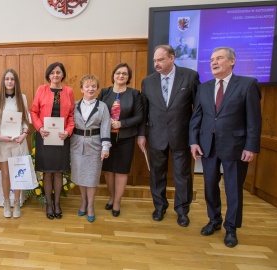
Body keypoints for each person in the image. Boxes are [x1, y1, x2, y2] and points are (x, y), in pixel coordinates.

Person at [189, 47, 262, 248]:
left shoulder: (247, 85)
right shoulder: (204, 87)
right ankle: (214, 221)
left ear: (232, 61)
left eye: (219, 58)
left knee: (233, 189)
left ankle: (231, 228)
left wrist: (251, 146)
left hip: (236, 146)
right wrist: (193, 141)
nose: (214, 62)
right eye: (211, 59)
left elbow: (254, 120)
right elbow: (197, 117)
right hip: (208, 146)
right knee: (210, 187)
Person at [137, 45, 200, 226]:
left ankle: (182, 211)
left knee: (182, 175)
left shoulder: (189, 76)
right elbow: (144, 112)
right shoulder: (147, 82)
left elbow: (198, 110)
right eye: (155, 61)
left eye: (161, 60)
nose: (156, 64)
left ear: (172, 58)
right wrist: (142, 135)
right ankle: (159, 207)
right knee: (157, 175)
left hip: (181, 135)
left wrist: (195, 137)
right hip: (156, 136)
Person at [30, 62, 74, 220]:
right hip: (45, 136)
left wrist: (68, 131)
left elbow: (71, 116)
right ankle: (49, 204)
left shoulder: (69, 91)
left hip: (62, 137)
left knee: (58, 172)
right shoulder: (41, 89)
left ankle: (57, 204)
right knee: (47, 173)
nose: (55, 75)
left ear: (63, 75)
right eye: (52, 73)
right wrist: (40, 127)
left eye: (58, 72)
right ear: (48, 75)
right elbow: (34, 111)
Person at [98, 63, 143, 217]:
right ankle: (111, 198)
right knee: (109, 170)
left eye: (125, 73)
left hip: (126, 138)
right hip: (106, 139)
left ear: (128, 77)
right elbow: (96, 111)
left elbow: (139, 116)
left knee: (122, 171)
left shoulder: (135, 94)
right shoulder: (105, 92)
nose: (121, 76)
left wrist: (121, 124)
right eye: (118, 73)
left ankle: (117, 202)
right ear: (113, 76)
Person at [71, 74, 111, 223]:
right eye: (87, 86)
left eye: (93, 86)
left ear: (97, 89)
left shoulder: (102, 107)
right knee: (81, 176)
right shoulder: (74, 105)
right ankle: (83, 202)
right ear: (81, 89)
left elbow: (106, 128)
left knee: (92, 178)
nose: (90, 89)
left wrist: (105, 147)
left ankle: (91, 206)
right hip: (76, 145)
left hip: (95, 145)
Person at [0, 68, 30, 218]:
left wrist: (24, 134)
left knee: (17, 175)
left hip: (18, 142)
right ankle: (7, 202)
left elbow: (26, 120)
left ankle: (17, 203)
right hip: (3, 141)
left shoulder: (22, 98)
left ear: (16, 81)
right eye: (7, 79)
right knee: (5, 174)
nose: (9, 82)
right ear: (3, 81)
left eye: (12, 79)